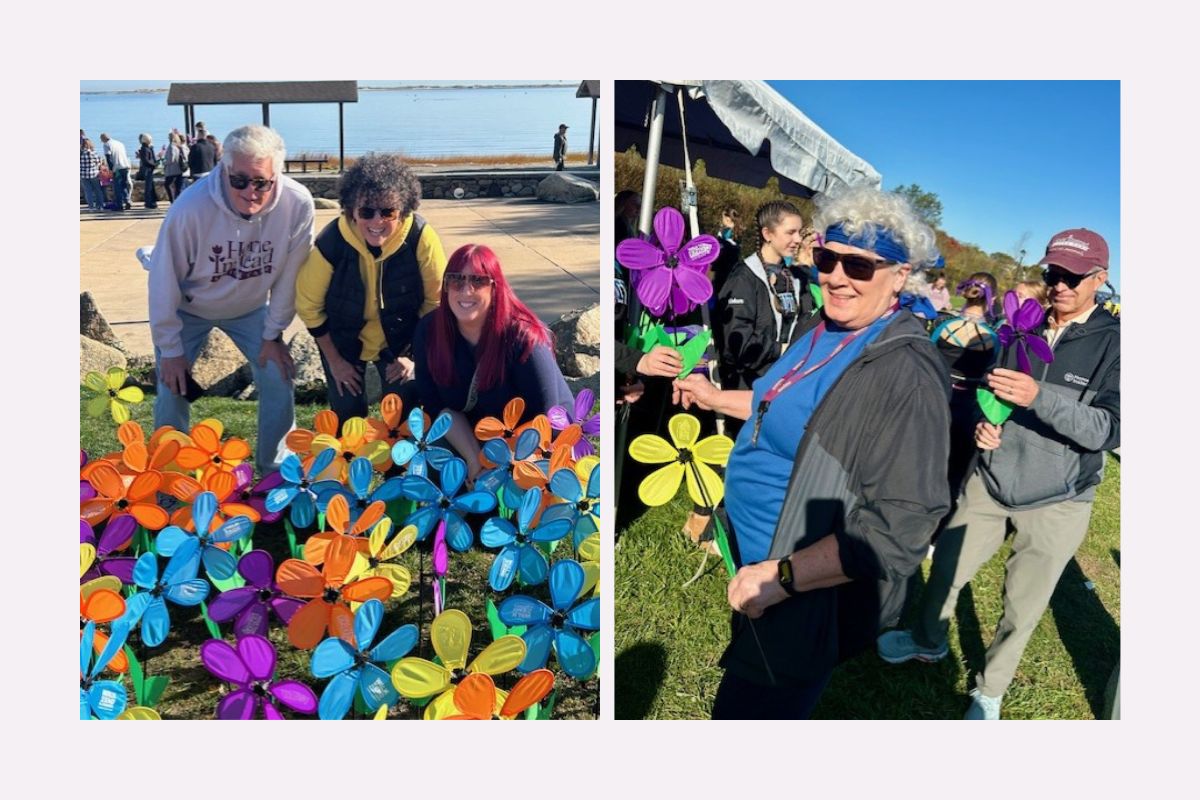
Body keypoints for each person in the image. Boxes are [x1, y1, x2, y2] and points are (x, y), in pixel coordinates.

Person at [674, 186, 951, 719]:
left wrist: (783, 577)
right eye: (827, 257)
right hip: (759, 566)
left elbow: (904, 525)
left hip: (804, 590)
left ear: (900, 276)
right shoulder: (823, 327)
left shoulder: (905, 374)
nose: (837, 276)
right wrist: (712, 396)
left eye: (860, 266)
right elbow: (774, 402)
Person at [878, 228, 1119, 721]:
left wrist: (1039, 397)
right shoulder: (1020, 325)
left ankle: (990, 689)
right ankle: (927, 640)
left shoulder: (1117, 345)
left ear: (1100, 278)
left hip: (1060, 496)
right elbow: (995, 391)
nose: (1061, 285)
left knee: (1023, 604)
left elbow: (1109, 429)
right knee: (946, 568)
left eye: (1073, 277)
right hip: (990, 479)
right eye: (1053, 273)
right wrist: (990, 423)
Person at [148, 124, 315, 474]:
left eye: (261, 182)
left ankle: (275, 471)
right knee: (172, 386)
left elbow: (289, 277)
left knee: (277, 376)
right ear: (224, 169)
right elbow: (163, 281)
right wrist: (171, 349)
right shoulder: (190, 208)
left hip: (250, 309)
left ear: (276, 176)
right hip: (188, 307)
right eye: (239, 180)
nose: (249, 192)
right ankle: (168, 476)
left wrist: (273, 334)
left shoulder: (298, 204)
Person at [296, 153, 447, 428]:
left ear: (403, 210)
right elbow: (308, 306)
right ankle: (346, 467)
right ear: (351, 210)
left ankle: (400, 469)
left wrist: (412, 356)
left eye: (387, 211)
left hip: (402, 338)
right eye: (366, 211)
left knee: (402, 413)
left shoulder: (421, 237)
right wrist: (335, 361)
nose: (376, 221)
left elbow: (436, 302)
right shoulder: (331, 243)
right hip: (342, 339)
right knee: (346, 416)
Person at [412, 243, 572, 479]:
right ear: (446, 287)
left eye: (478, 281)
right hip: (472, 432)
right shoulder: (429, 329)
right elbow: (436, 407)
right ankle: (451, 510)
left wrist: (499, 465)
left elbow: (543, 419)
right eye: (456, 280)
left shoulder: (524, 337)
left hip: (534, 439)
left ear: (495, 287)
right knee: (432, 449)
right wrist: (474, 458)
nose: (466, 290)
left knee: (516, 485)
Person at [713, 201, 816, 436]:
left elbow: (804, 323)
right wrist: (784, 350)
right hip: (744, 394)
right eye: (790, 232)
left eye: (799, 232)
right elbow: (737, 346)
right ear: (767, 234)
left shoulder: (795, 278)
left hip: (782, 388)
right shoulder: (744, 278)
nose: (798, 239)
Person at [930, 271, 999, 499]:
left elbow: (927, 358)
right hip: (969, 408)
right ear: (993, 299)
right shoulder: (994, 338)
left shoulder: (943, 326)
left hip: (934, 399)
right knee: (955, 471)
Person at [100, 133, 132, 211]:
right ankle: (127, 200)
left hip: (117, 168)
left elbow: (109, 158)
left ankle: (119, 205)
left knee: (117, 187)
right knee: (123, 185)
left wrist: (111, 170)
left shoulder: (106, 145)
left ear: (103, 139)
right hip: (125, 166)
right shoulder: (119, 143)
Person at [162, 132, 188, 203]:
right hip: (178, 170)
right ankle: (177, 201)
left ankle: (173, 201)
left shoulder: (171, 146)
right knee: (177, 188)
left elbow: (171, 159)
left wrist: (164, 162)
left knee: (168, 185)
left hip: (172, 171)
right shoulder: (178, 146)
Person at [80, 138, 105, 211]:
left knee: (88, 191)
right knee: (98, 190)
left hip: (83, 175)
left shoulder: (80, 153)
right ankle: (100, 206)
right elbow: (98, 162)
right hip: (94, 174)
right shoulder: (93, 153)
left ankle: (91, 207)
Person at [135, 133, 159, 210]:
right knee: (148, 187)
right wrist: (153, 164)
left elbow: (151, 158)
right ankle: (149, 202)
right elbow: (146, 161)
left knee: (150, 186)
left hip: (149, 169)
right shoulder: (144, 149)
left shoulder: (148, 148)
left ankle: (152, 201)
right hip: (147, 170)